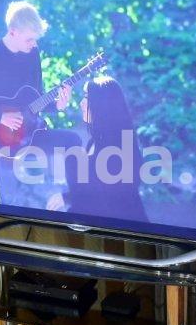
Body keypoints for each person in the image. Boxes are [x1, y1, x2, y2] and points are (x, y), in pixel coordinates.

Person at [0, 1, 79, 206]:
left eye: (35, 39)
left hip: (32, 134)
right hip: (1, 143)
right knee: (8, 203)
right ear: (12, 32)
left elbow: (37, 99)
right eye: (29, 39)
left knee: (73, 140)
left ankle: (75, 202)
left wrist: (57, 106)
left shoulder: (32, 53)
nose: (33, 44)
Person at [46, 76, 148, 222]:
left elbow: (108, 197)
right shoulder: (95, 141)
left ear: (103, 104)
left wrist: (68, 197)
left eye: (87, 97)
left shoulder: (119, 144)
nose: (82, 102)